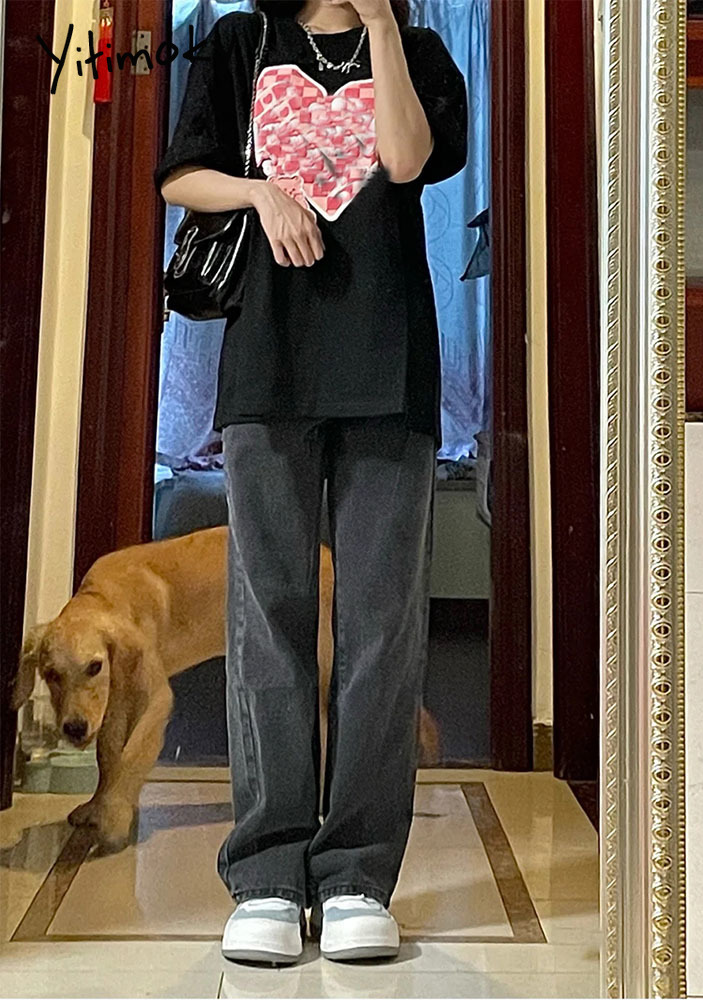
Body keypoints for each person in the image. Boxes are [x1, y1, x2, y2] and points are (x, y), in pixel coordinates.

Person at [154, 0, 467, 966]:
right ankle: (268, 874)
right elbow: (180, 176)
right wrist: (262, 194)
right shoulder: (239, 42)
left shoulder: (419, 51)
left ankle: (358, 875)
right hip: (268, 364)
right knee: (269, 615)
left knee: (381, 627)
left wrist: (380, 29)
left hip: (389, 366)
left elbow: (407, 161)